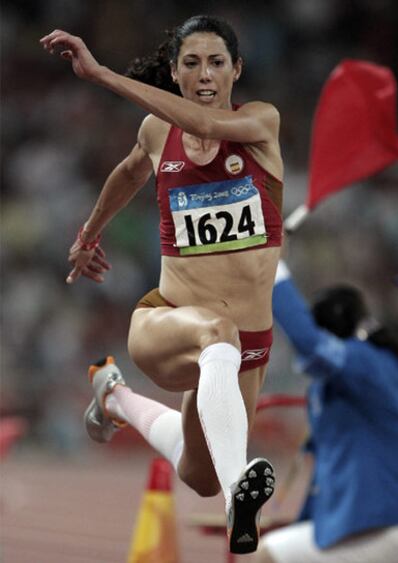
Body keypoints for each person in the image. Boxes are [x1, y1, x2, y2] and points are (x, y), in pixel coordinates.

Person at [40, 15, 283, 554]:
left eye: (216, 63)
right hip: (167, 322)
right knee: (217, 332)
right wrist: (88, 235)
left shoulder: (261, 122)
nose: (204, 74)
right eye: (191, 63)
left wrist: (104, 76)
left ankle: (115, 398)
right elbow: (130, 172)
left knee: (199, 471)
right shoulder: (157, 132)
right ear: (173, 72)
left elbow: (209, 125)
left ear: (236, 70)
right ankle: (236, 504)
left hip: (245, 347)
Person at [255, 259, 398, 563]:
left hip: (388, 524)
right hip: (370, 523)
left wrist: (271, 265)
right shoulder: (342, 383)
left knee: (269, 555)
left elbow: (309, 343)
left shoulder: (365, 363)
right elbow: (323, 477)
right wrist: (304, 524)